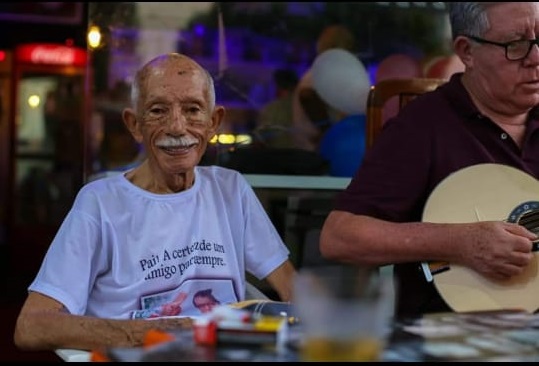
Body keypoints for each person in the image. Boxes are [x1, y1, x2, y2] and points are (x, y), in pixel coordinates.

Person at [13, 53, 296, 351]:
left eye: (193, 110)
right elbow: (32, 325)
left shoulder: (230, 189)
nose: (177, 127)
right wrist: (157, 332)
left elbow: (292, 288)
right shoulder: (100, 203)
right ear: (135, 125)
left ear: (213, 123)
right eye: (159, 110)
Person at [319, 2, 539, 318]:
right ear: (467, 51)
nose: (535, 59)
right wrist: (458, 242)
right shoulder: (422, 126)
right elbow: (339, 237)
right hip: (453, 338)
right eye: (515, 45)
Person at [291, 24, 357, 151]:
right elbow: (307, 96)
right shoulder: (321, 73)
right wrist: (329, 132)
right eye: (349, 47)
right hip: (314, 155)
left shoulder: (323, 73)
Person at [254, 68, 299, 149]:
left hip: (276, 158)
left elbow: (260, 140)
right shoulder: (305, 107)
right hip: (304, 158)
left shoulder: (270, 110)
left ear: (276, 86)